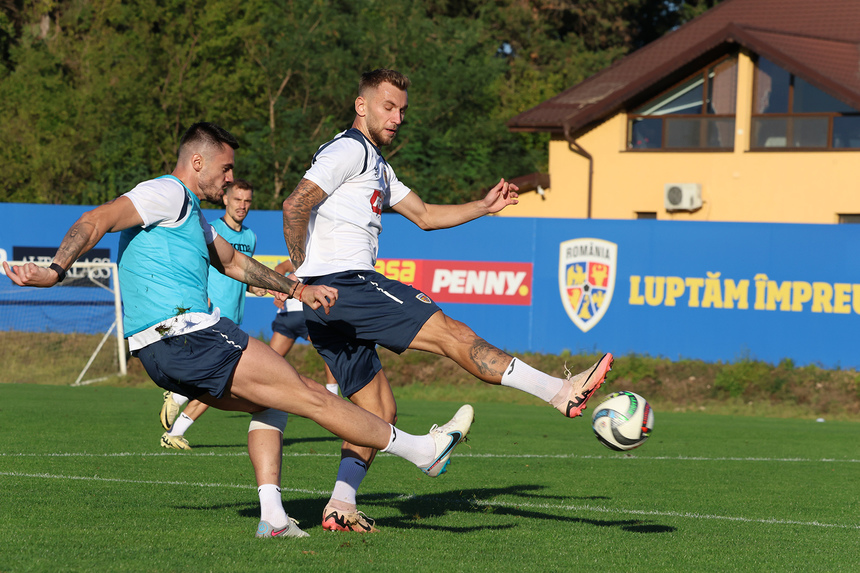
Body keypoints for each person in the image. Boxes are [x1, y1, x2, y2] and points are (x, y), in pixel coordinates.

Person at [4, 121, 474, 539]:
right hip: (189, 333)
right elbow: (97, 219)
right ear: (196, 161)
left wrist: (295, 288)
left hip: (157, 356)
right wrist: (56, 269)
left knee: (272, 403)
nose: (230, 180)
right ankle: (421, 451)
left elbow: (230, 261)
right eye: (225, 169)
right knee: (312, 394)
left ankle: (272, 517)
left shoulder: (190, 213)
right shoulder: (165, 191)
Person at [282, 69, 614, 534]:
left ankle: (341, 503)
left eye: (401, 110)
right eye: (387, 107)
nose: (397, 117)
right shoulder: (349, 150)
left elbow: (424, 216)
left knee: (377, 412)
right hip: (347, 284)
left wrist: (483, 206)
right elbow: (296, 205)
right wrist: (300, 275)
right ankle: (559, 392)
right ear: (362, 106)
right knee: (452, 334)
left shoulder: (377, 164)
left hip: (327, 302)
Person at [160, 178, 265, 450]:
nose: (242, 206)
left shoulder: (251, 236)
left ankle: (177, 403)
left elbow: (240, 273)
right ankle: (177, 409)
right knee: (220, 379)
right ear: (226, 200)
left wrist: (259, 287)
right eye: (237, 199)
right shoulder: (211, 229)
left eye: (247, 201)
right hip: (210, 318)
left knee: (218, 379)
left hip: (235, 320)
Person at [270, 258, 339, 395]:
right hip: (305, 313)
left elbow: (280, 268)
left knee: (270, 361)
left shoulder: (302, 257)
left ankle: (259, 396)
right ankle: (333, 393)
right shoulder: (312, 256)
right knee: (332, 349)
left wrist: (278, 289)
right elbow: (281, 268)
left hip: (287, 316)